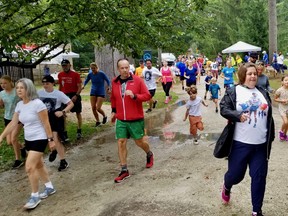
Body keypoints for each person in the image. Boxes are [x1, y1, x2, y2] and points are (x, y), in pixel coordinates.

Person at [220, 62, 275, 216]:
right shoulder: (234, 91)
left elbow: (268, 114)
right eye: (249, 73)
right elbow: (223, 108)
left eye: (254, 74)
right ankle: (227, 185)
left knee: (259, 177)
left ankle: (256, 211)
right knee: (236, 175)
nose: (252, 76)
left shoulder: (262, 92)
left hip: (260, 145)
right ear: (243, 75)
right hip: (240, 144)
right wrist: (237, 115)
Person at [0, 78, 57, 210]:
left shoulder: (38, 104)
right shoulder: (20, 105)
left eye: (22, 88)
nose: (19, 90)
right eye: (18, 87)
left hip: (40, 138)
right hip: (29, 139)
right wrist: (2, 136)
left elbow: (46, 123)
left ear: (28, 89)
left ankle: (35, 196)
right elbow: (13, 123)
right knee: (39, 165)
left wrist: (51, 140)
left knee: (30, 167)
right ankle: (49, 187)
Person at [111, 58, 153, 183]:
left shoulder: (137, 80)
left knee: (139, 142)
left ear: (129, 68)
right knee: (121, 142)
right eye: (122, 68)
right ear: (118, 69)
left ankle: (149, 153)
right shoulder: (115, 82)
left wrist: (135, 96)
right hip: (121, 119)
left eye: (126, 67)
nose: (124, 70)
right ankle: (124, 170)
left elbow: (147, 96)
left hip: (135, 118)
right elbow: (113, 97)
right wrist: (113, 111)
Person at [38, 75, 74, 171]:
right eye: (44, 83)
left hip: (55, 119)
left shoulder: (59, 94)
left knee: (55, 139)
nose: (45, 85)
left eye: (47, 83)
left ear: (53, 83)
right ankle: (53, 151)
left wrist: (63, 112)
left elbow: (71, 103)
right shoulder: (39, 93)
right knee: (46, 139)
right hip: (43, 119)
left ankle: (63, 161)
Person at [0, 75, 25, 168]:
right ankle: (22, 147)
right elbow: (2, 105)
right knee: (9, 142)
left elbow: (24, 100)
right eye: (1, 83)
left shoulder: (16, 91)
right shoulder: (1, 93)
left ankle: (18, 160)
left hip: (18, 117)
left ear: (10, 82)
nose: (3, 85)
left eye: (5, 83)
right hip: (7, 117)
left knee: (13, 139)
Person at [58, 59, 82, 140]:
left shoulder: (76, 74)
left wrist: (76, 95)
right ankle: (64, 133)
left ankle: (79, 130)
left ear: (69, 65)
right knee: (63, 114)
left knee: (78, 113)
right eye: (63, 66)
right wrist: (59, 95)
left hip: (74, 94)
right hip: (64, 95)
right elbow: (61, 86)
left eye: (66, 65)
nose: (64, 67)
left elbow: (79, 87)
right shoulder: (60, 74)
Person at [82, 62, 111, 127]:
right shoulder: (90, 74)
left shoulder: (101, 73)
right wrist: (83, 85)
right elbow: (86, 80)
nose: (93, 70)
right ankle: (98, 121)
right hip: (93, 91)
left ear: (97, 68)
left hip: (101, 91)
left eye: (94, 68)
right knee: (93, 107)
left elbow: (107, 80)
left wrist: (109, 86)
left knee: (98, 108)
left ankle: (105, 116)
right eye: (92, 69)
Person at [274, 75, 288, 141]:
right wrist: (282, 101)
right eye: (286, 80)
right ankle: (281, 131)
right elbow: (275, 99)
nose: (287, 81)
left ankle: (285, 135)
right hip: (282, 108)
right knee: (285, 122)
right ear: (282, 82)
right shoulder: (279, 90)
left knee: (287, 123)